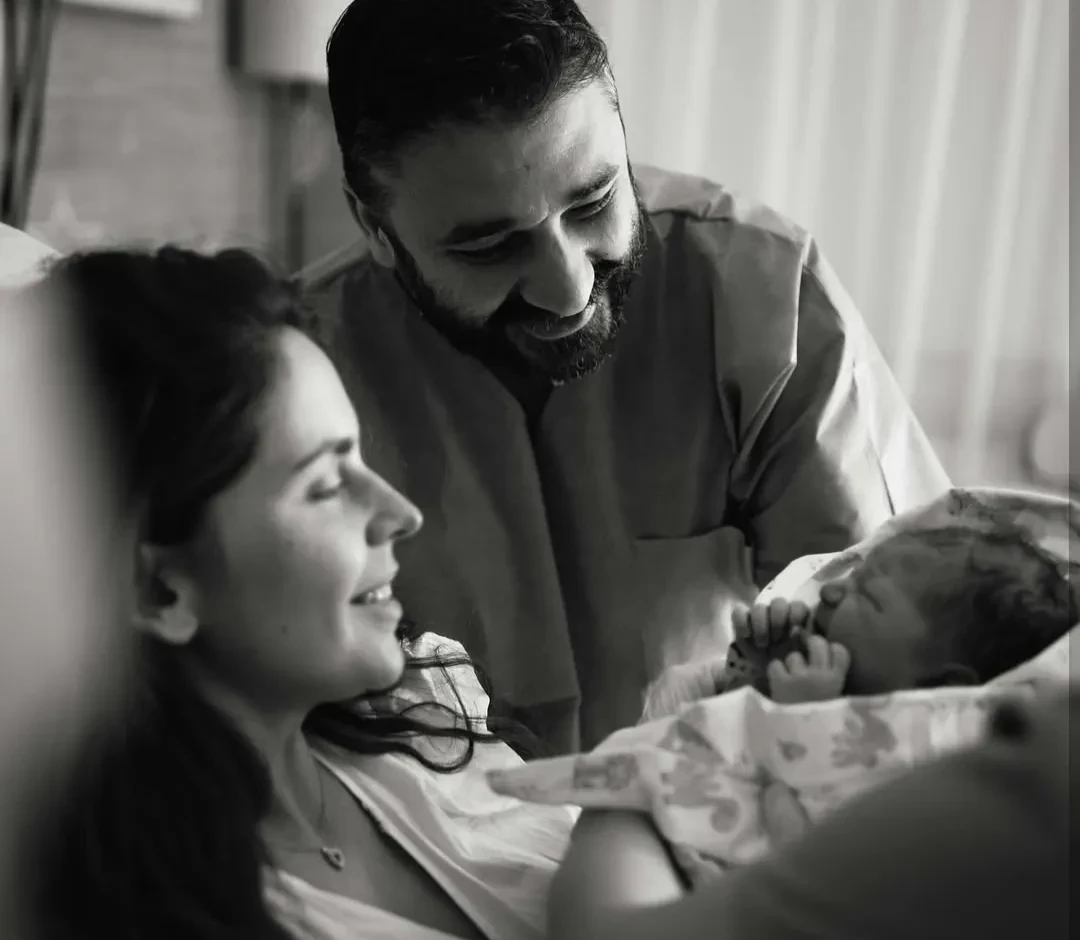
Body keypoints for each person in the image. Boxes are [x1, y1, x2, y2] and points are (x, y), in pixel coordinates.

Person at [306, 0, 951, 752]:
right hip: (438, 819)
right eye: (488, 247)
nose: (569, 291)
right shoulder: (299, 370)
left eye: (594, 201)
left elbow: (906, 661)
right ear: (374, 227)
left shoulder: (767, 297)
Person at [23, 247, 578, 940]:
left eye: (361, 457)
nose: (401, 513)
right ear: (162, 589)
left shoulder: (424, 714)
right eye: (325, 485)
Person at [726, 524, 1078, 701]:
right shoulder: (808, 680)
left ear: (940, 688)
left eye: (868, 596)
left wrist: (803, 719)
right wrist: (759, 670)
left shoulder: (917, 760)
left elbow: (823, 808)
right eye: (853, 578)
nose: (830, 591)